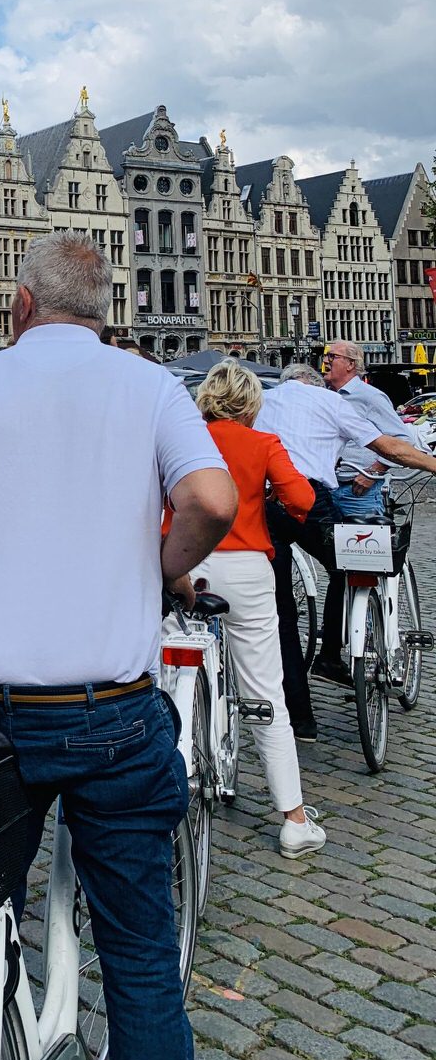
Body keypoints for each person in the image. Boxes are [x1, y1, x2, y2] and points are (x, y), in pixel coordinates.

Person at [0, 233, 237, 1060]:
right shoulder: (149, 385)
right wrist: (160, 563)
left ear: (19, 305)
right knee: (141, 955)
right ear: (101, 310)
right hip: (111, 710)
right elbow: (212, 501)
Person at [184, 362, 326, 856]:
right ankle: (293, 817)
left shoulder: (189, 439)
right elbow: (303, 500)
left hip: (187, 562)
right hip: (245, 566)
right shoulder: (262, 444)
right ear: (250, 403)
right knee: (267, 689)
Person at [255, 362, 436, 734]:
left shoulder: (263, 400)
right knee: (349, 564)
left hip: (265, 503)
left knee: (282, 614)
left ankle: (300, 718)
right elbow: (389, 447)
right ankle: (331, 654)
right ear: (314, 383)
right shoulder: (329, 401)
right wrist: (432, 465)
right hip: (308, 500)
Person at [322, 339, 421, 520]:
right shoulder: (328, 396)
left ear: (351, 364)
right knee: (331, 546)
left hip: (359, 491)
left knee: (362, 544)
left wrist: (374, 472)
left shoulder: (370, 396)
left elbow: (404, 439)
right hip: (329, 489)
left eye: (332, 356)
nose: (326, 361)